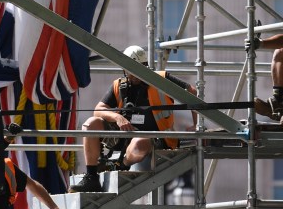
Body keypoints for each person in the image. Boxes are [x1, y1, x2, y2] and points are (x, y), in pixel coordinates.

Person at [69, 45, 198, 193]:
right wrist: (117, 117)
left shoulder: (161, 80)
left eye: (138, 69)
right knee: (90, 124)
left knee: (139, 142)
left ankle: (120, 164)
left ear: (145, 66)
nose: (134, 75)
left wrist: (196, 124)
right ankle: (91, 177)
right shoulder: (119, 85)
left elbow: (192, 92)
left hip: (156, 138)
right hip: (124, 135)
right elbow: (98, 109)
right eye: (130, 70)